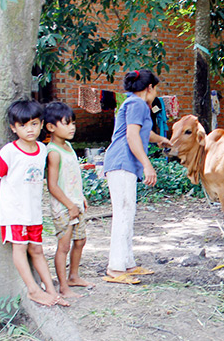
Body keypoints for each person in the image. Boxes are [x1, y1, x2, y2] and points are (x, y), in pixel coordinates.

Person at [0, 99, 64, 307]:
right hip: (14, 211)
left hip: (33, 212)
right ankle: (33, 290)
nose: (30, 129)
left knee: (37, 250)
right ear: (13, 127)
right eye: (23, 125)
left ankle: (51, 290)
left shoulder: (42, 149)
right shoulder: (9, 152)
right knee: (19, 248)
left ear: (41, 124)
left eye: (34, 124)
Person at [103, 69, 172, 284]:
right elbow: (133, 137)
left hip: (126, 165)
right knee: (123, 213)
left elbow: (142, 133)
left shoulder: (135, 104)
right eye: (156, 88)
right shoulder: (137, 104)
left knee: (128, 212)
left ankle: (128, 263)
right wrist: (147, 164)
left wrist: (160, 139)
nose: (156, 92)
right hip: (122, 163)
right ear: (150, 88)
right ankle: (115, 268)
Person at [44, 101, 95, 299]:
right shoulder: (54, 153)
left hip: (75, 203)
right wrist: (69, 205)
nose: (72, 127)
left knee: (81, 240)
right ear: (51, 127)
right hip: (64, 207)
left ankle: (74, 276)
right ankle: (63, 286)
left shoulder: (69, 147)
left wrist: (80, 197)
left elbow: (73, 176)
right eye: (66, 123)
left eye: (73, 122)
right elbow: (53, 185)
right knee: (64, 246)